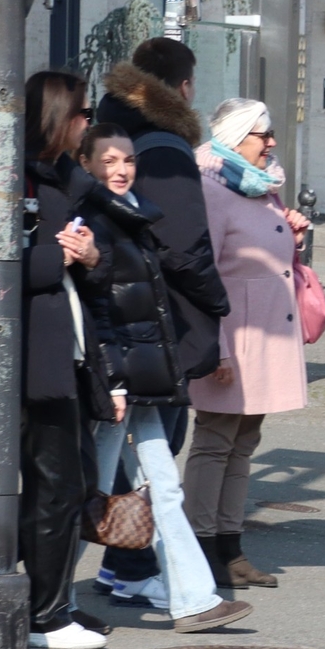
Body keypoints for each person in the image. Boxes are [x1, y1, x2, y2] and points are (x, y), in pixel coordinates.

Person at [76, 124, 249, 633]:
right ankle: (37, 596)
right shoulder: (94, 223)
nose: (120, 169)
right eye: (107, 161)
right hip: (119, 385)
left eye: (127, 160)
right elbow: (99, 314)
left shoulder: (133, 216)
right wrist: (113, 382)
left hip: (142, 380)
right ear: (86, 165)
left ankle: (194, 599)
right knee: (88, 496)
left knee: (162, 488)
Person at [94, 38, 232, 603]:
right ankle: (131, 570)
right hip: (156, 323)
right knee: (142, 455)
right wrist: (217, 302)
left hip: (120, 315)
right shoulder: (167, 150)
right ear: (184, 87)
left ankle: (136, 571)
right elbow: (184, 244)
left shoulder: (109, 134)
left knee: (129, 456)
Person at [189, 100, 312, 592]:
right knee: (215, 441)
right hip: (235, 340)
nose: (272, 142)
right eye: (265, 134)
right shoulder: (213, 188)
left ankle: (230, 547)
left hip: (266, 336)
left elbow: (264, 256)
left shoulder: (261, 186)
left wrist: (294, 236)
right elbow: (205, 273)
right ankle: (199, 549)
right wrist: (216, 347)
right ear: (237, 138)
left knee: (244, 442)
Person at [16, 71, 108, 649]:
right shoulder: (18, 176)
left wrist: (91, 254)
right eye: (83, 114)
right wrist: (61, 256)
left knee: (72, 482)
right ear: (58, 117)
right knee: (55, 486)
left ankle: (52, 604)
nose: (89, 125)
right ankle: (44, 616)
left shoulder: (67, 178)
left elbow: (102, 245)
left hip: (67, 350)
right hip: (33, 351)